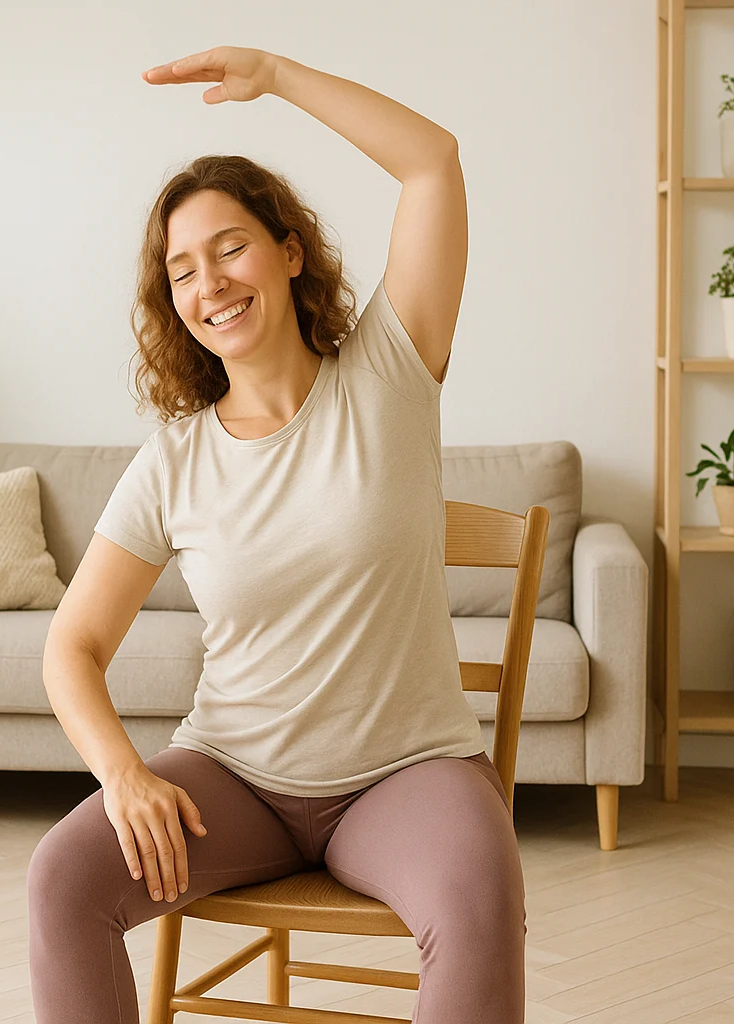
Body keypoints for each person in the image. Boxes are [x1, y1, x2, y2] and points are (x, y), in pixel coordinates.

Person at [27, 45, 525, 1024]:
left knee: (479, 899)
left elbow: (433, 162)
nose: (209, 282)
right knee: (62, 879)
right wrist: (124, 776)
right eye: (182, 271)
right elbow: (71, 647)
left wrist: (278, 77)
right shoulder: (172, 462)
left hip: (407, 773)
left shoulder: (390, 372)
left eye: (230, 248)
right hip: (234, 779)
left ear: (290, 252)